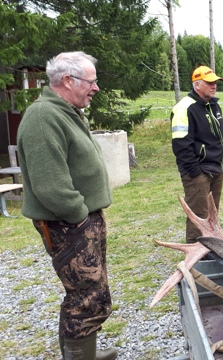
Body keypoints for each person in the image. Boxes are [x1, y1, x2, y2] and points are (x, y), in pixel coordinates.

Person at [17, 51, 117, 359]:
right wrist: (79, 216)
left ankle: (80, 353)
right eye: (91, 82)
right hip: (68, 223)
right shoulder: (43, 117)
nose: (95, 88)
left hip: (79, 221)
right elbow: (51, 186)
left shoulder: (64, 111)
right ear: (67, 81)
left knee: (85, 294)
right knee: (89, 297)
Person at [171, 65, 223, 244]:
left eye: (215, 82)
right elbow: (181, 146)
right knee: (199, 217)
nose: (214, 86)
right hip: (198, 173)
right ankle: (196, 258)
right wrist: (196, 173)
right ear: (197, 85)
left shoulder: (213, 105)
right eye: (209, 83)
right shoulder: (184, 108)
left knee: (212, 215)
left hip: (217, 168)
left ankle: (211, 249)